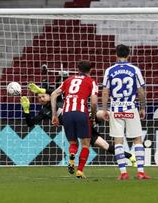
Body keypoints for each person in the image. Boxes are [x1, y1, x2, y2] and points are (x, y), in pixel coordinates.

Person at [20, 83, 136, 168]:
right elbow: (30, 123)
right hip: (78, 129)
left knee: (100, 113)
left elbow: (54, 91)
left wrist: (41, 89)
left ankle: (122, 117)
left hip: (84, 117)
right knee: (105, 146)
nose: (41, 98)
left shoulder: (58, 98)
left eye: (43, 96)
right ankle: (129, 156)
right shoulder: (44, 112)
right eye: (39, 97)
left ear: (50, 96)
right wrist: (26, 110)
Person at [101, 44, 151, 180]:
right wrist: (142, 107)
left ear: (116, 54)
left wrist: (105, 109)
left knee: (118, 141)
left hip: (116, 109)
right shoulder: (135, 70)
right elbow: (141, 91)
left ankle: (123, 173)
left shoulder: (109, 70)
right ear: (129, 55)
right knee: (137, 139)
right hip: (130, 108)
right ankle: (140, 172)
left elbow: (105, 91)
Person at [49, 61, 97, 179]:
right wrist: (93, 116)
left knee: (73, 143)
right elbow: (94, 102)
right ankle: (80, 171)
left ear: (78, 69)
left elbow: (54, 94)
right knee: (85, 144)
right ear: (90, 70)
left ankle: (71, 155)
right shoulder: (92, 82)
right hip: (81, 113)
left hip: (67, 114)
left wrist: (54, 115)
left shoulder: (68, 80)